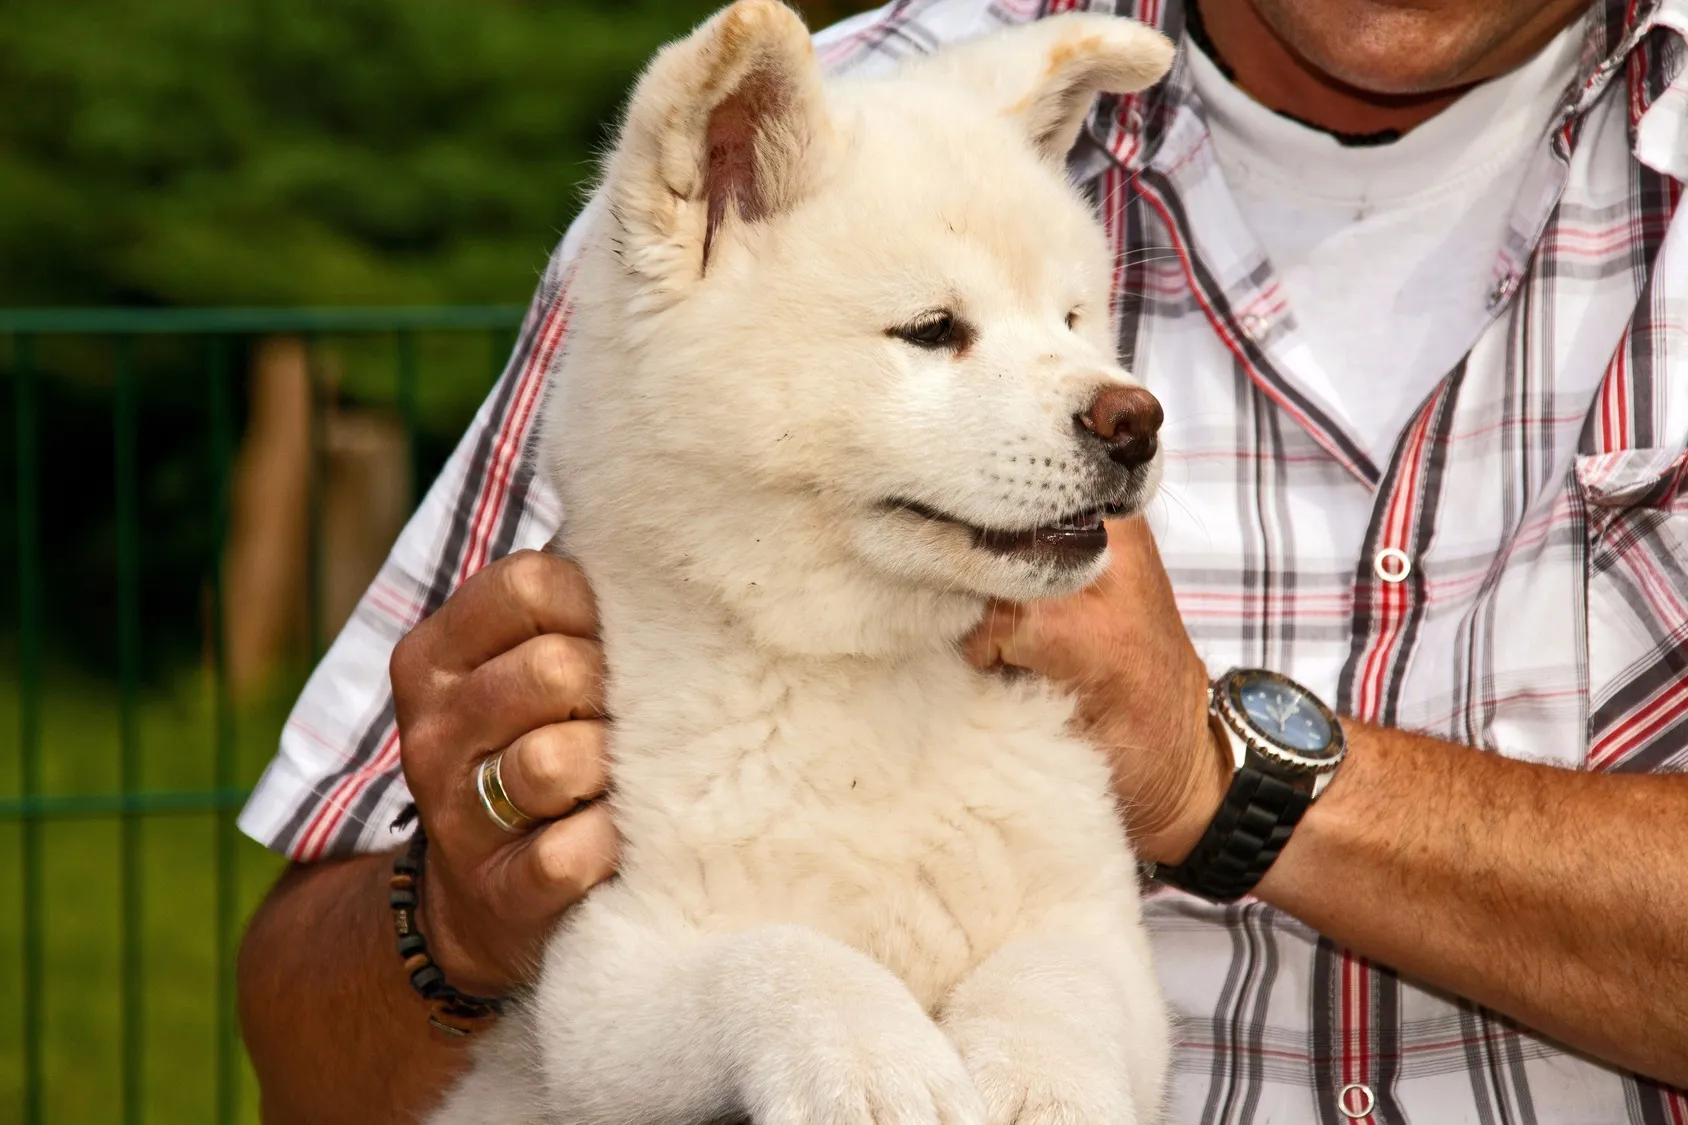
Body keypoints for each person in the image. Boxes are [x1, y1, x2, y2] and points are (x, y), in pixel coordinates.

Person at [234, 0, 1688, 1121]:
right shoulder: (830, 133)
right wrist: (459, 926)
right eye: (938, 338)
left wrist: (1209, 775)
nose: (1101, 405)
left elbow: (1064, 951)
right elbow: (309, 1021)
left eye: (1075, 324)